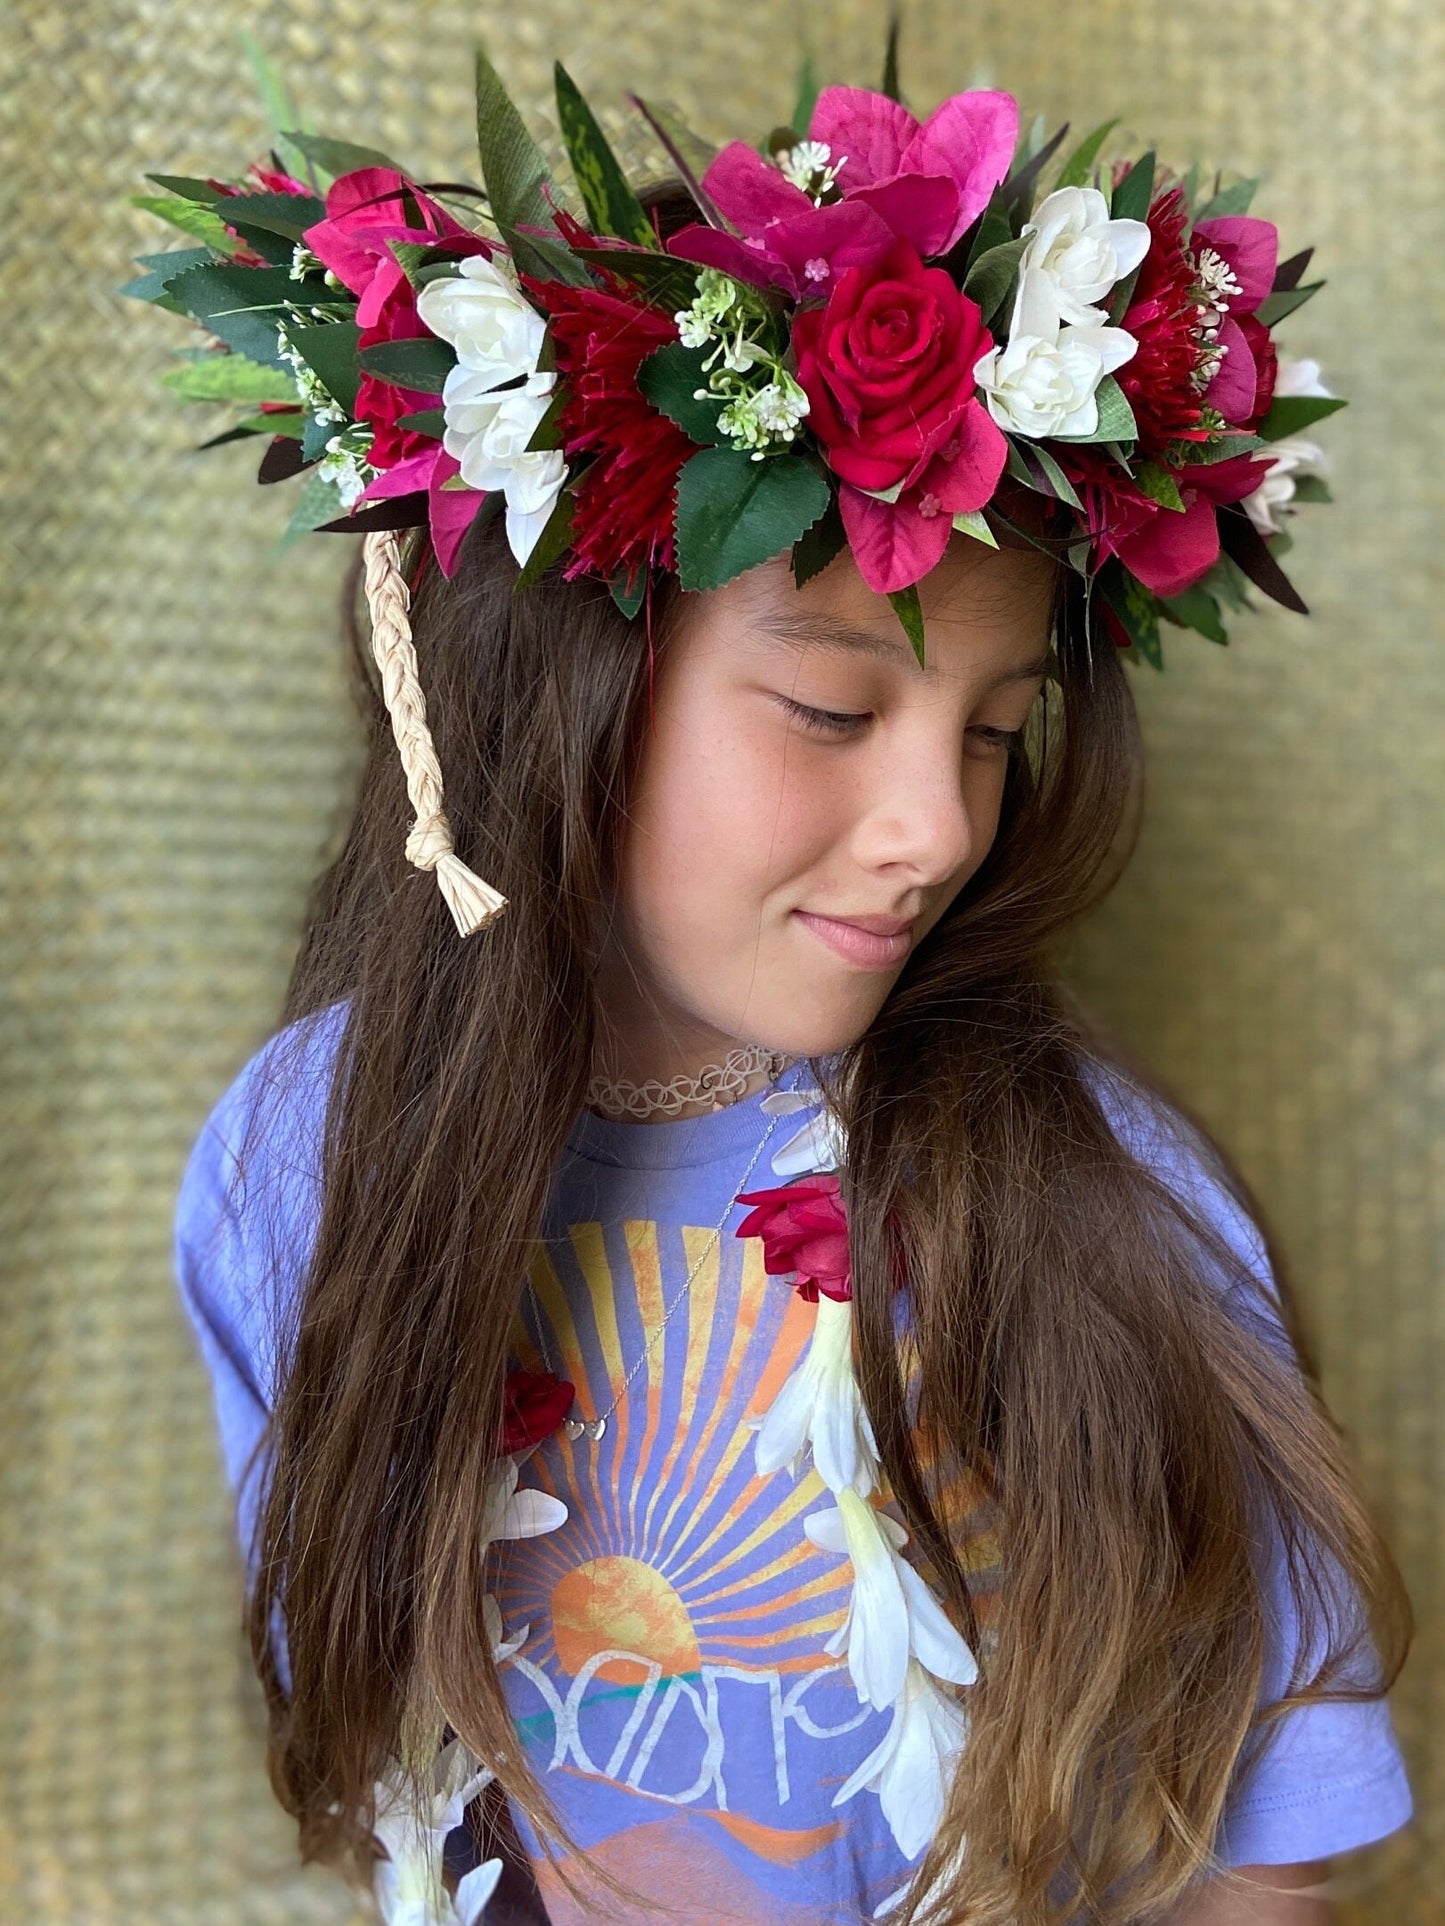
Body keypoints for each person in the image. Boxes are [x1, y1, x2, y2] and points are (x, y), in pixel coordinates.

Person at [155, 46, 1412, 1926]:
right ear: (559, 696)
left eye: (991, 732)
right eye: (830, 708)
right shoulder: (306, 1159)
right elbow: (375, 1744)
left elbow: (1255, 1858)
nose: (936, 827)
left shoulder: (1100, 1197)